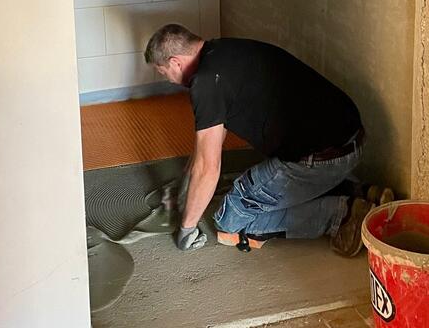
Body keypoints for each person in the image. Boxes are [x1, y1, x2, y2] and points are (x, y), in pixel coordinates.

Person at [144, 24, 384, 256]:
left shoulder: (205, 82)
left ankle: (343, 214)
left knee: (230, 219)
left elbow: (209, 168)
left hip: (320, 160)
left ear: (175, 62)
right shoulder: (224, 50)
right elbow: (212, 137)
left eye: (164, 73)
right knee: (262, 183)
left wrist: (186, 228)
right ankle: (358, 190)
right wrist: (188, 178)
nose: (170, 81)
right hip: (351, 139)